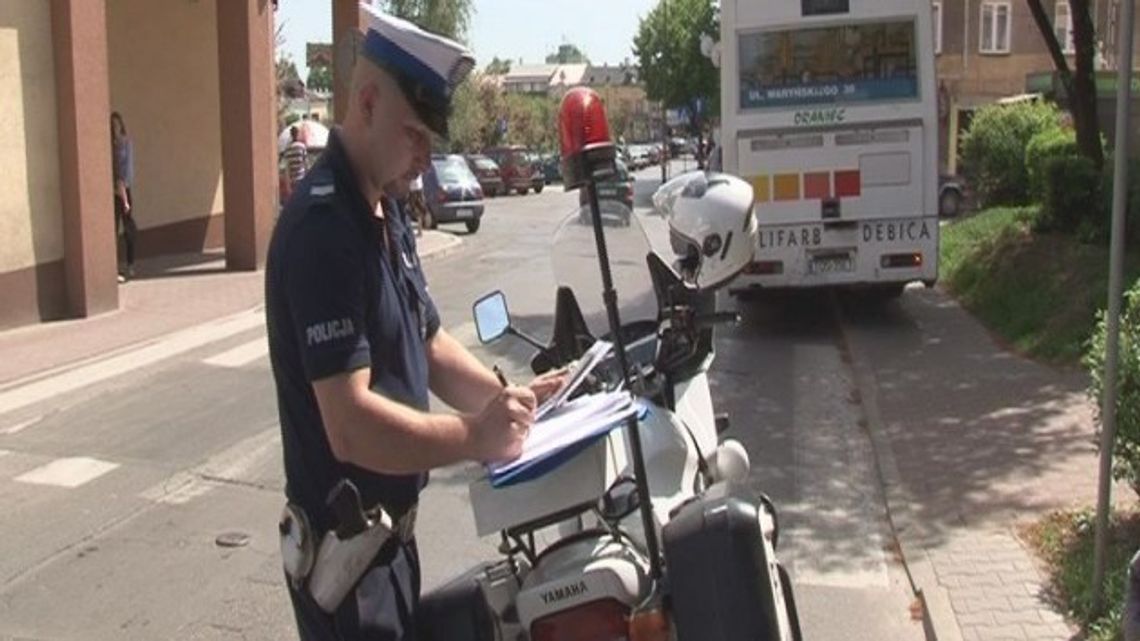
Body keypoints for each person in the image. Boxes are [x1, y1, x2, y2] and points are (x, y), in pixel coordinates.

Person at [264, 6, 565, 639]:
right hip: (347, 575)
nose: (425, 159)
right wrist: (475, 438)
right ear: (367, 104)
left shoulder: (384, 205)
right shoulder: (324, 230)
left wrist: (508, 401)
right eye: (415, 136)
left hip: (390, 548)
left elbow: (425, 342)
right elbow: (350, 427)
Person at [111, 112, 137, 282]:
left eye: (117, 124)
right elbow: (117, 172)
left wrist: (125, 198)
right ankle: (113, 268)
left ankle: (130, 264)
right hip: (115, 191)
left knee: (129, 229)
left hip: (124, 189)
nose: (115, 127)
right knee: (113, 230)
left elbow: (125, 172)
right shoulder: (110, 146)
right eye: (112, 125)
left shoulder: (126, 143)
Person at [282, 125, 309, 198]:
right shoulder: (302, 147)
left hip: (292, 181)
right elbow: (306, 164)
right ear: (297, 134)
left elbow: (287, 168)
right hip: (301, 179)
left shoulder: (288, 149)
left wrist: (288, 186)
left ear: (291, 135)